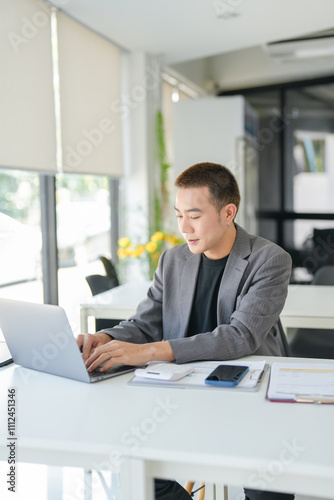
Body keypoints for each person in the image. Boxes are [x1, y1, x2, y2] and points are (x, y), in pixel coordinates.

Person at [77, 162, 294, 500]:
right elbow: (145, 324)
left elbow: (241, 337)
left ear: (228, 212)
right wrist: (105, 339)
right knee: (138, 471)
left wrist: (150, 351)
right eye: (179, 215)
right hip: (184, 393)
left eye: (194, 215)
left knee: (271, 491)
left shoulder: (269, 260)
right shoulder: (173, 260)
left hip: (250, 396)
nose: (184, 227)